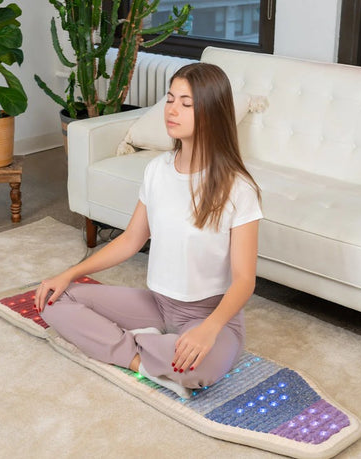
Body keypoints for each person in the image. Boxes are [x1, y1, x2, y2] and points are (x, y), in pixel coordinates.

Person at [35, 63, 262, 398]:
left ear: (212, 113)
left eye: (186, 104)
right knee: (53, 300)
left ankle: (128, 345)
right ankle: (142, 359)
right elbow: (131, 240)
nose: (172, 110)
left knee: (200, 370)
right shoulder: (157, 170)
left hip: (209, 313)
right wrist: (69, 273)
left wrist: (209, 330)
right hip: (158, 305)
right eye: (170, 99)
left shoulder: (238, 188)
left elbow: (245, 280)